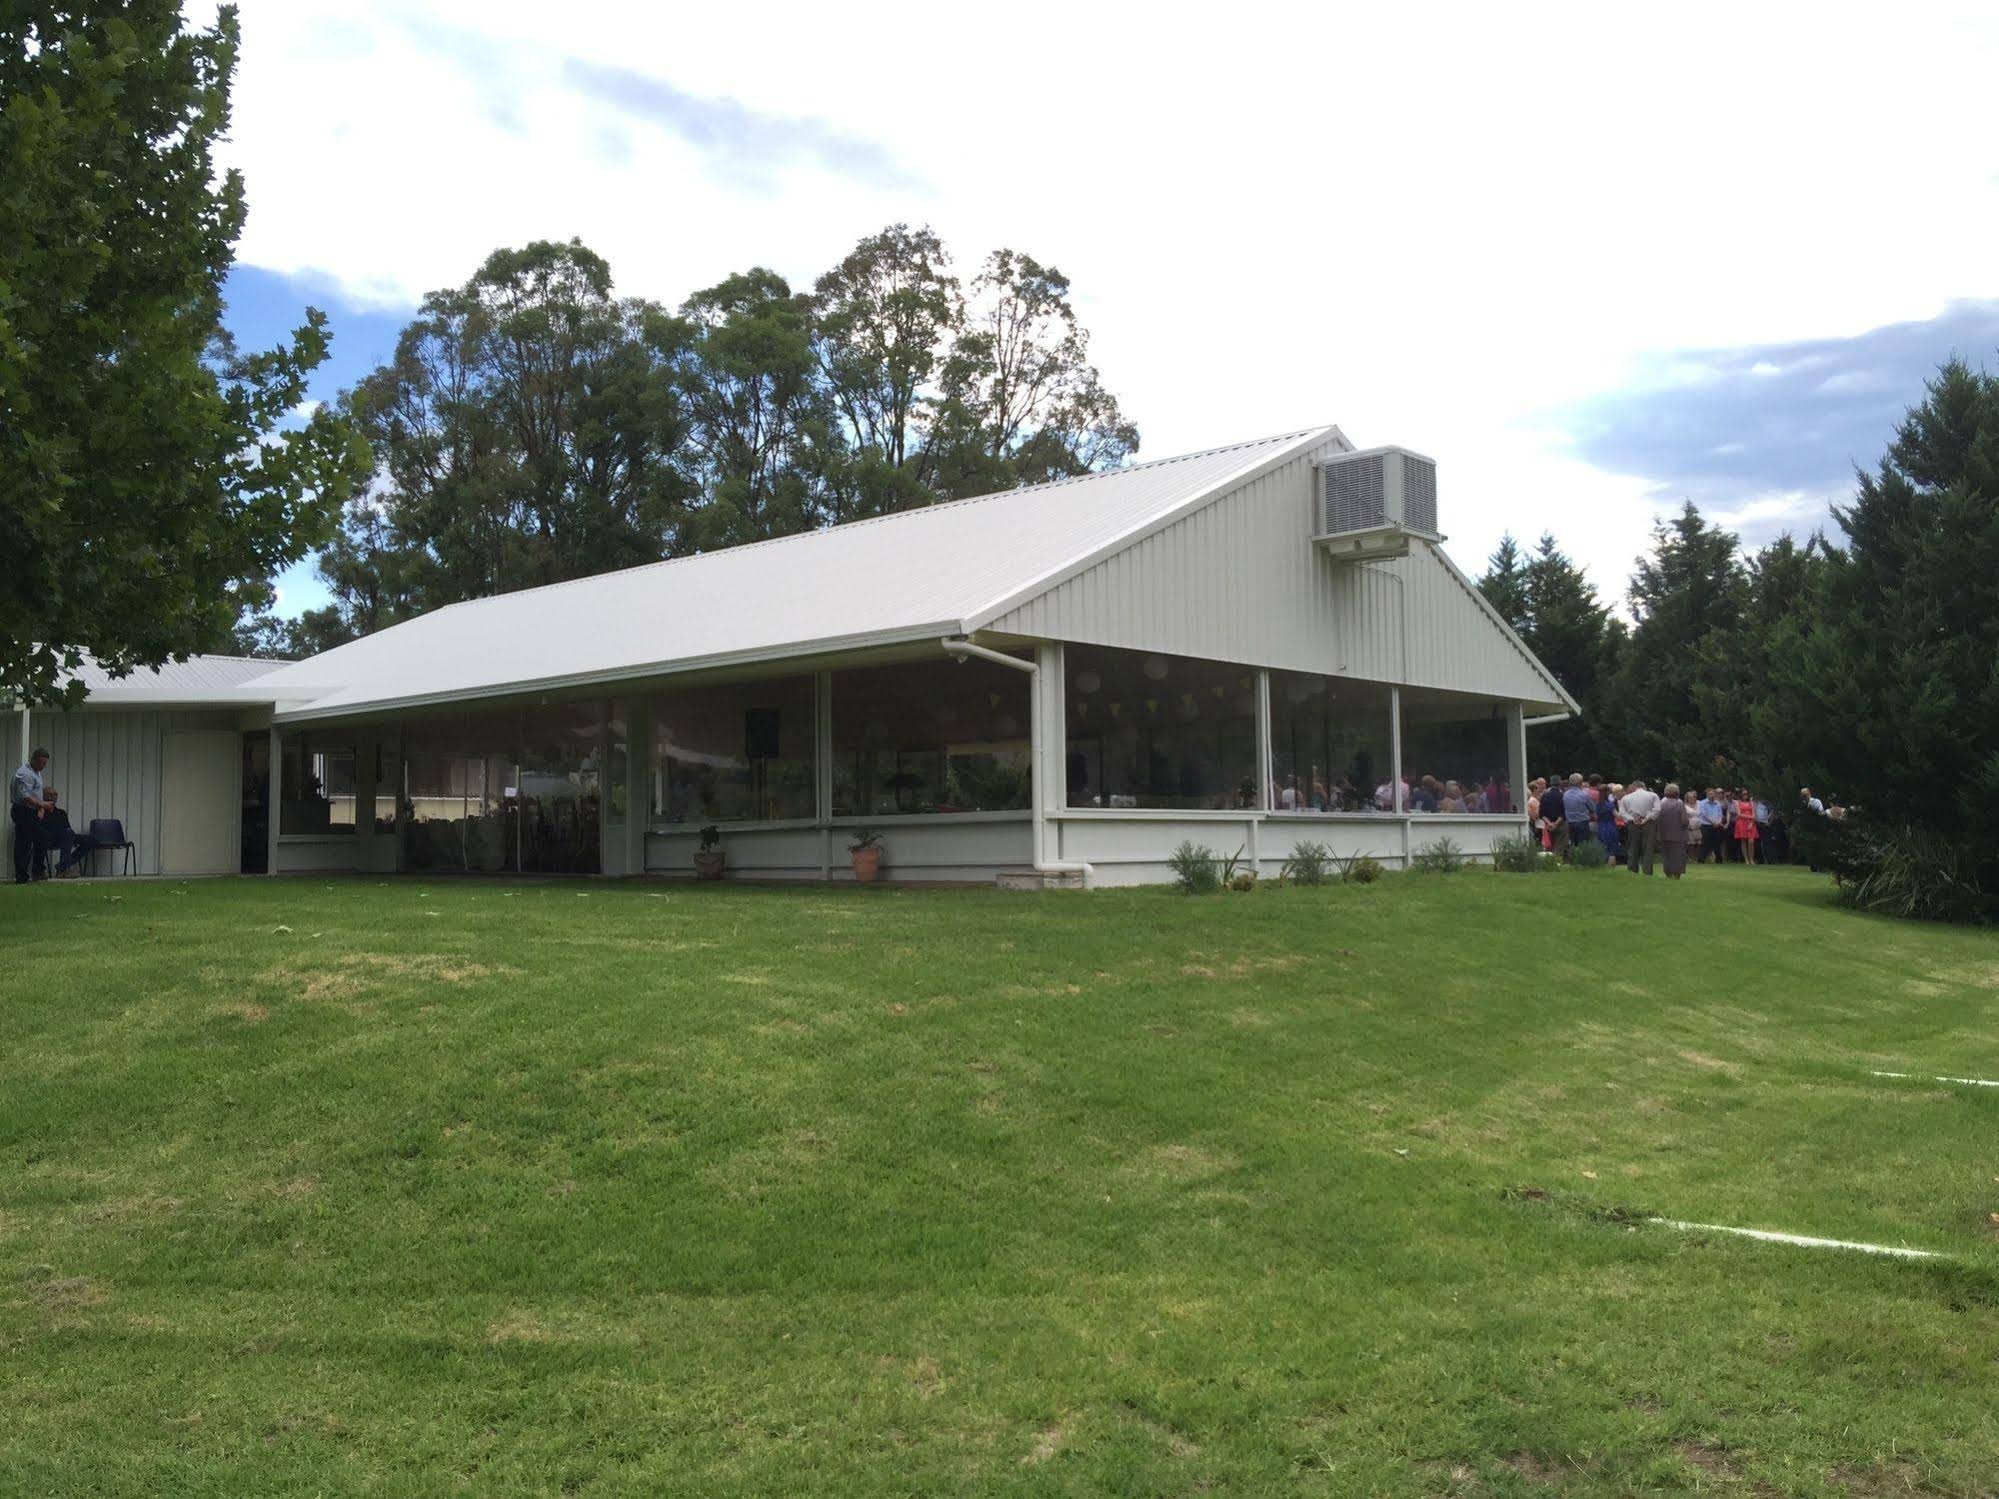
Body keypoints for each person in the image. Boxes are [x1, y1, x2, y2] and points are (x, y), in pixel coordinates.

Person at [11, 747, 53, 884]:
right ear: (33, 759)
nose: (42, 766)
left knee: (34, 840)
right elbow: (24, 796)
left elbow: (36, 793)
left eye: (44, 764)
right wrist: (43, 804)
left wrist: (40, 808)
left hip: (32, 810)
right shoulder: (25, 774)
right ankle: (29, 873)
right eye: (40, 763)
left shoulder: (36, 773)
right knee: (26, 843)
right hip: (23, 810)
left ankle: (32, 872)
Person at [34, 789, 97, 878]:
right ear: (43, 796)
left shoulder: (61, 813)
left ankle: (62, 865)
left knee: (91, 840)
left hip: (64, 837)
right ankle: (63, 870)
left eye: (55, 794)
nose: (52, 796)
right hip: (47, 838)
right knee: (67, 834)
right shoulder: (39, 811)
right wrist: (41, 813)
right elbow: (37, 828)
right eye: (49, 794)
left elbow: (67, 828)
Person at [1618, 777, 1661, 875]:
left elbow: (1622, 813)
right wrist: (1647, 818)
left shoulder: (1626, 798)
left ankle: (1632, 869)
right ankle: (1647, 870)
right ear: (1643, 786)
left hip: (1633, 824)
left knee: (1633, 847)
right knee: (1648, 848)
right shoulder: (1653, 795)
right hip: (1649, 823)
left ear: (1634, 787)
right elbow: (1657, 809)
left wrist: (1632, 819)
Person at [1656, 781, 1691, 879]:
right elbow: (1684, 821)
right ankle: (1676, 875)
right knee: (1678, 856)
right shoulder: (1679, 804)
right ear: (1677, 792)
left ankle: (1668, 873)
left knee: (1666, 855)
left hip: (1663, 834)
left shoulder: (1661, 804)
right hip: (1678, 835)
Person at [1561, 773, 1593, 858]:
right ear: (1580, 783)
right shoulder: (1584, 795)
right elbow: (1592, 808)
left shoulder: (1565, 795)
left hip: (1570, 822)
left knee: (1573, 843)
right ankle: (1582, 859)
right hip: (1582, 822)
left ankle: (1573, 859)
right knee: (1583, 844)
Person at [1696, 788, 1729, 864]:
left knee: (1717, 843)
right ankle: (1701, 860)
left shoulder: (1717, 803)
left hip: (1717, 825)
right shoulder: (1702, 803)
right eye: (1710, 794)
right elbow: (1704, 814)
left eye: (1713, 794)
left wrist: (1718, 822)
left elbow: (1720, 814)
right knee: (1705, 843)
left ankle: (1719, 860)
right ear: (1707, 795)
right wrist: (1712, 822)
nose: (1712, 795)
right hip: (1706, 825)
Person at [1733, 788, 1759, 865]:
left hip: (1750, 823)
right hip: (1741, 822)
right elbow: (1739, 814)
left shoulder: (1751, 802)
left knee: (1751, 841)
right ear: (1741, 795)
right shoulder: (1737, 802)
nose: (1745, 795)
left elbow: (1754, 814)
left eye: (1747, 794)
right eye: (1744, 794)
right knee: (1743, 840)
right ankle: (1746, 859)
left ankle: (1751, 859)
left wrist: (1752, 822)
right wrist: (1751, 817)